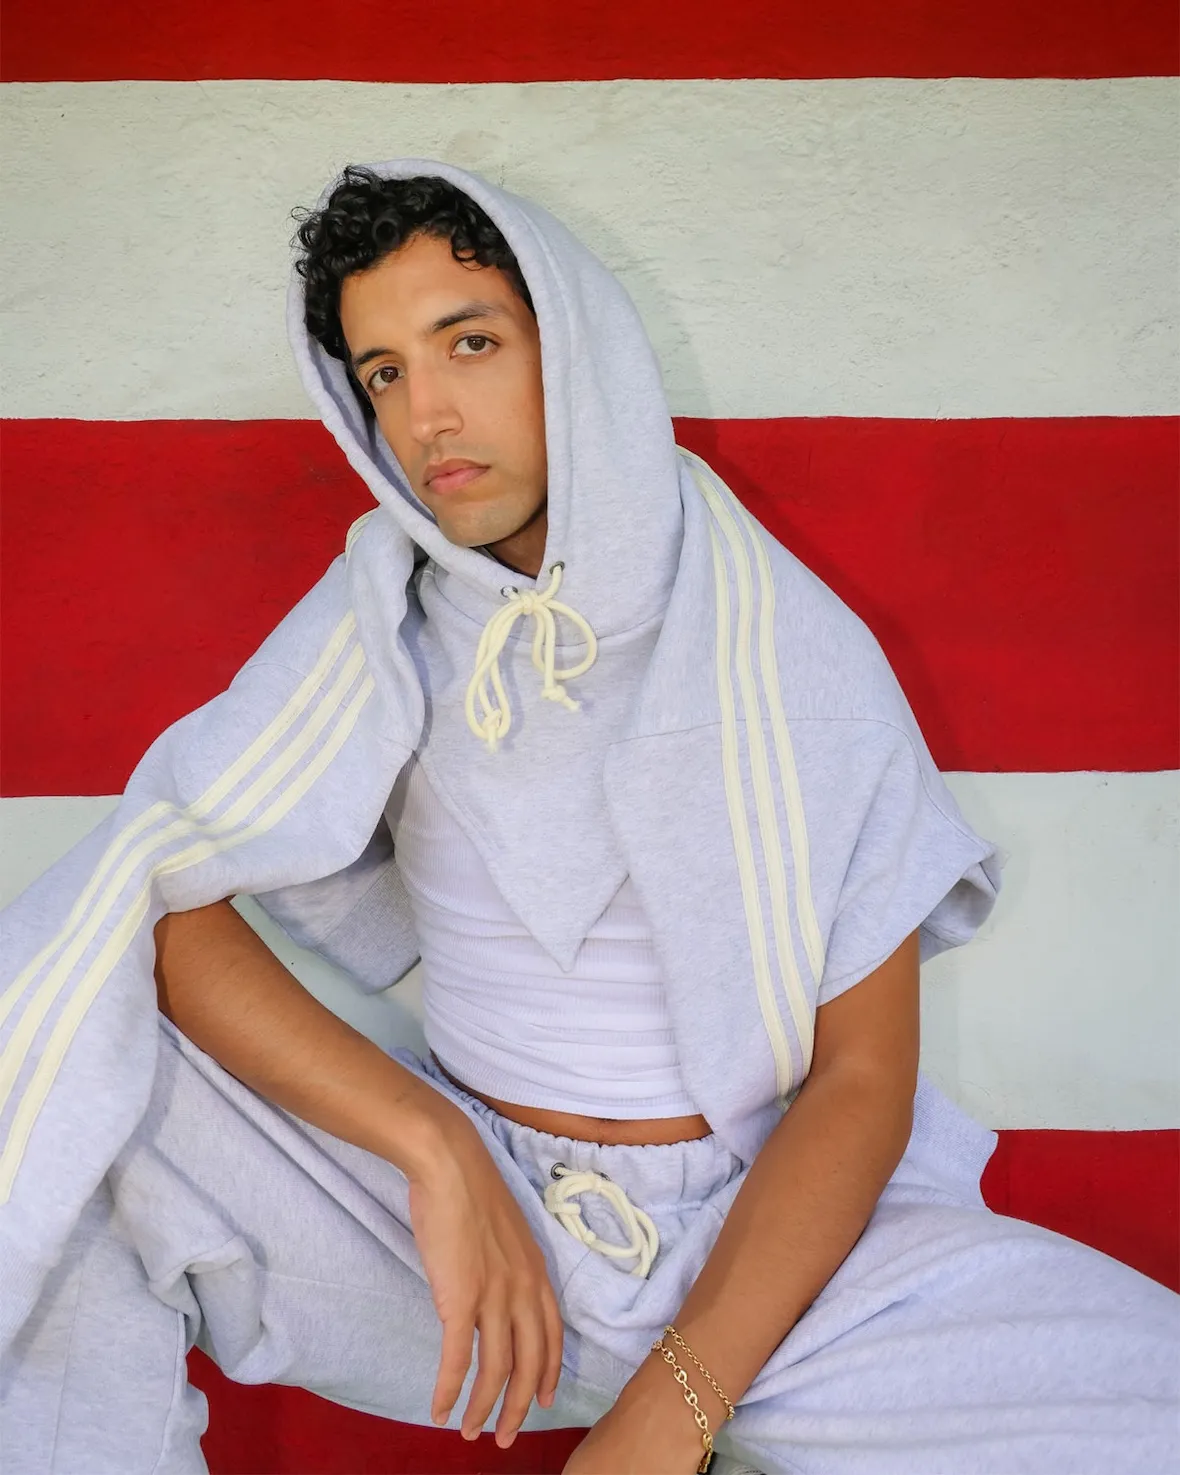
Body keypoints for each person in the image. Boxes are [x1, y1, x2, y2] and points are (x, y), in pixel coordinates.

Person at [1, 160, 1175, 1475]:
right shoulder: (378, 618)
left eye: (470, 343)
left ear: (577, 349)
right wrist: (437, 1148)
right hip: (458, 1243)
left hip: (774, 1253)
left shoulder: (782, 643)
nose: (428, 415)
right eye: (384, 372)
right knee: (55, 1073)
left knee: (1150, 1407)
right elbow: (143, 889)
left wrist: (671, 1408)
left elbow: (863, 1079)